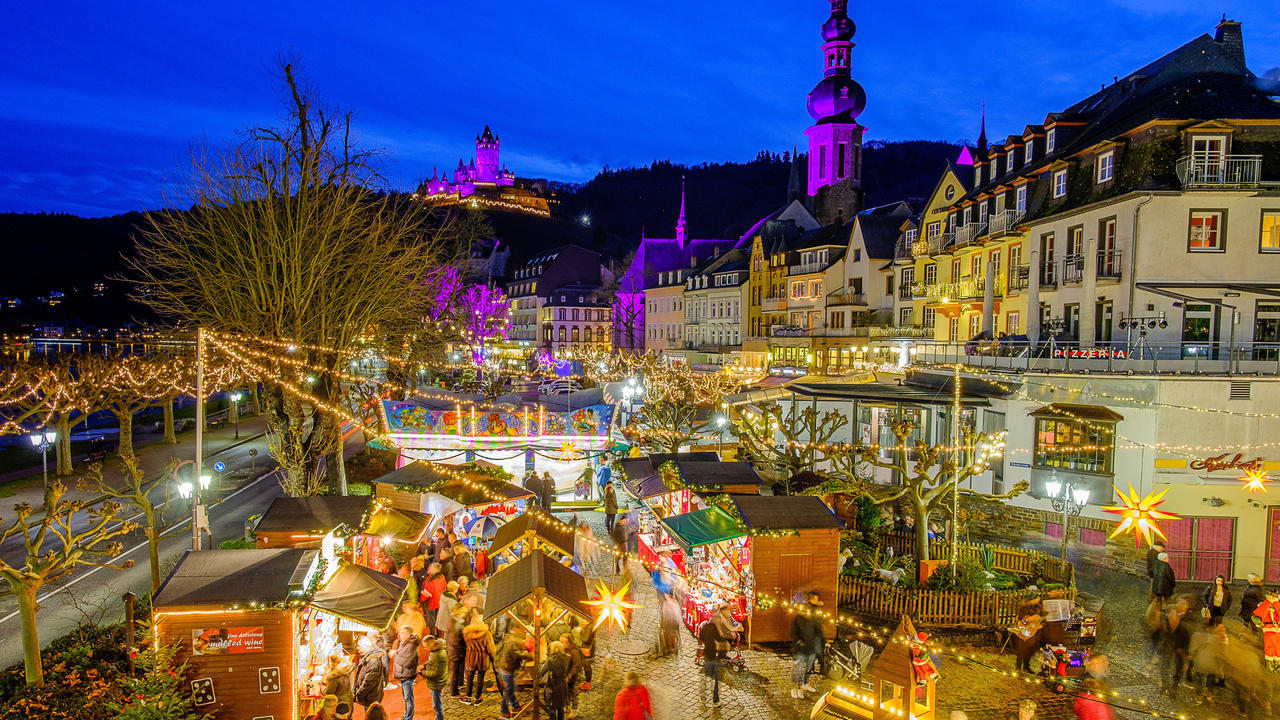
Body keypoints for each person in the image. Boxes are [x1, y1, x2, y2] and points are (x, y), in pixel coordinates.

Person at [790, 593, 824, 698]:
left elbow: (818, 630)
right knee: (798, 667)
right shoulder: (797, 619)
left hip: (811, 647)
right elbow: (794, 632)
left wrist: (823, 641)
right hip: (801, 648)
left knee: (809, 667)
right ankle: (795, 688)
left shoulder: (812, 618)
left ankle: (804, 684)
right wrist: (798, 641)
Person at [699, 608, 733, 707]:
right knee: (716, 680)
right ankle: (715, 700)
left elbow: (701, 639)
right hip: (713, 656)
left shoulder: (705, 628)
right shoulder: (715, 629)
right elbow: (720, 639)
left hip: (706, 655)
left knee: (705, 678)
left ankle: (703, 698)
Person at [462, 609, 497, 706]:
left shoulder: (467, 633)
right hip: (482, 659)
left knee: (470, 677)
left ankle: (468, 697)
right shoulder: (486, 634)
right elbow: (491, 649)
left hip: (471, 659)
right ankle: (478, 698)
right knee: (480, 678)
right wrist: (493, 658)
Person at [497, 625, 532, 718]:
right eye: (522, 629)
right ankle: (504, 711)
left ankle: (515, 706)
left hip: (506, 668)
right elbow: (517, 655)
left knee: (511, 688)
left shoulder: (514, 639)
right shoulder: (513, 642)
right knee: (509, 690)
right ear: (516, 629)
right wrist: (530, 656)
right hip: (507, 669)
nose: (524, 631)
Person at [1158, 606, 1191, 698]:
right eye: (1171, 618)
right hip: (1166, 652)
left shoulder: (1183, 631)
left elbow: (1187, 645)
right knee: (1164, 668)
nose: (1173, 621)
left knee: (1177, 672)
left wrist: (1186, 659)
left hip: (1179, 654)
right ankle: (1165, 687)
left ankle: (1173, 689)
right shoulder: (1164, 628)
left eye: (1175, 618)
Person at [390, 625, 420, 720]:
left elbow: (407, 662)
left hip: (408, 676)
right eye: (400, 633)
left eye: (403, 633)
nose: (400, 635)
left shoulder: (411, 645)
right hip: (403, 675)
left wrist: (395, 654)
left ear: (409, 634)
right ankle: (407, 715)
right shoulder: (404, 643)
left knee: (408, 699)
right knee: (406, 698)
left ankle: (408, 718)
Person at [353, 636, 388, 712]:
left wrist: (358, 695)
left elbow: (368, 683)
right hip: (369, 696)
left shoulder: (373, 662)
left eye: (360, 647)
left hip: (371, 697)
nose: (358, 649)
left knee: (371, 715)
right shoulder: (367, 658)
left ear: (366, 647)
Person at [419, 635, 448, 720]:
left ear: (431, 644)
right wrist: (424, 666)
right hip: (436, 682)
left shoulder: (438, 654)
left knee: (437, 704)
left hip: (437, 682)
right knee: (436, 702)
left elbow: (436, 673)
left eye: (425, 647)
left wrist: (421, 672)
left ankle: (439, 718)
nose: (425, 649)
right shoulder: (435, 651)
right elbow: (432, 663)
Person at [542, 640, 571, 720]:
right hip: (562, 684)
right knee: (561, 706)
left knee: (552, 707)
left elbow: (542, 671)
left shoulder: (550, 660)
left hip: (552, 685)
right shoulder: (567, 658)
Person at [1254, 586, 1280, 672]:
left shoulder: (1276, 606)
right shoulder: (1264, 605)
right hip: (1269, 631)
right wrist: (1269, 601)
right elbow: (1260, 614)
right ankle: (1270, 666)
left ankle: (1276, 666)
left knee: (1277, 648)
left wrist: (1274, 601)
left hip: (1276, 631)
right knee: (1270, 648)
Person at [447, 603, 470, 698]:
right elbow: (456, 640)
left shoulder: (454, 620)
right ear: (459, 613)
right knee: (455, 672)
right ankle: (454, 692)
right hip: (457, 651)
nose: (464, 615)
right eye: (463, 613)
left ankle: (460, 683)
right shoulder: (456, 623)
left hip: (456, 650)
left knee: (459, 669)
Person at [560, 632, 585, 718]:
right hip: (565, 675)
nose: (563, 644)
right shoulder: (564, 650)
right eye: (562, 642)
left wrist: (569, 676)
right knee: (566, 692)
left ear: (570, 642)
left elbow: (576, 666)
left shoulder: (574, 652)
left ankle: (575, 709)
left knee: (574, 693)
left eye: (565, 642)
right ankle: (567, 707)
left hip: (574, 677)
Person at [421, 562, 447, 635]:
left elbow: (426, 593)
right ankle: (438, 634)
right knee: (438, 619)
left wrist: (421, 599)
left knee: (432, 620)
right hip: (440, 601)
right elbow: (444, 587)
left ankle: (432, 634)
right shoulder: (441, 576)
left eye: (431, 568)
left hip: (432, 603)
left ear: (435, 569)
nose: (429, 569)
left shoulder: (431, 581)